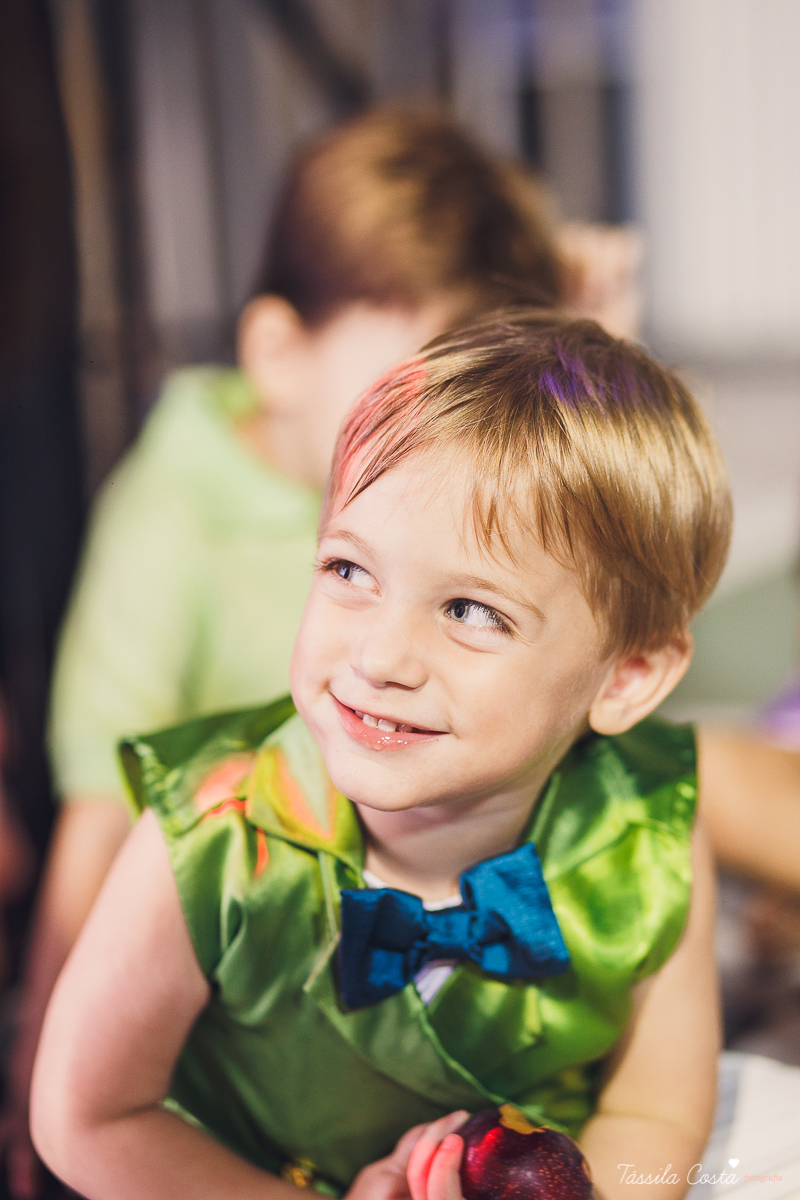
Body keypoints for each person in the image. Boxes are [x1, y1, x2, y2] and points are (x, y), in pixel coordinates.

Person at [2, 108, 642, 1199]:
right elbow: (97, 811)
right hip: (245, 958)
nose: (436, 439)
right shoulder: (172, 521)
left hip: (423, 895)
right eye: (409, 387)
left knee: (665, 783)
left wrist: (590, 335)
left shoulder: (442, 509)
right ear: (276, 355)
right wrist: (39, 1081)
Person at [31, 313, 731, 1198]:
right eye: (350, 571)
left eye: (472, 611)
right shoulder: (212, 835)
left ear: (627, 677)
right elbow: (86, 1116)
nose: (379, 658)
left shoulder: (649, 840)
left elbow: (655, 1117)